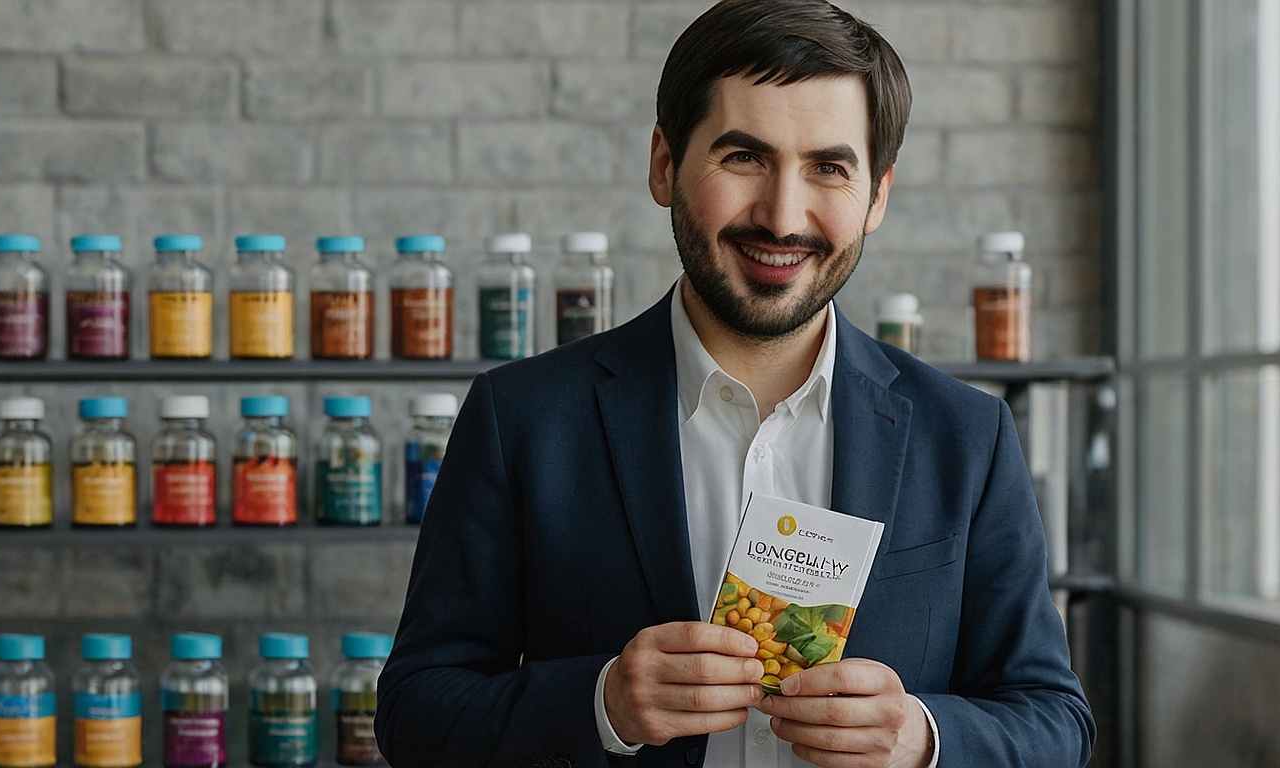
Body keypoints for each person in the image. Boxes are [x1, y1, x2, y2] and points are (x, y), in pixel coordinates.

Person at [374, 0, 1095, 765]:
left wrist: (922, 738)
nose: (783, 218)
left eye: (829, 167)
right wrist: (603, 703)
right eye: (744, 156)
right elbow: (417, 714)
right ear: (664, 165)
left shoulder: (967, 437)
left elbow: (1056, 722)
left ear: (877, 195)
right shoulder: (520, 419)